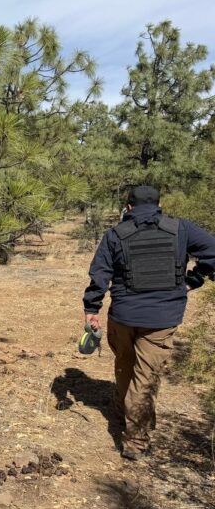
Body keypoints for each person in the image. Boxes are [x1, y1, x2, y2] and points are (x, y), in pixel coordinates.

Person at [82, 185, 215, 460]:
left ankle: (123, 411)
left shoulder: (115, 234)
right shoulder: (181, 229)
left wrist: (91, 308)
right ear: (159, 204)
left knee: (124, 364)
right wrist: (195, 278)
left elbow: (99, 273)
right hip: (162, 319)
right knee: (145, 378)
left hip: (123, 315)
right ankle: (136, 442)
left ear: (128, 207)